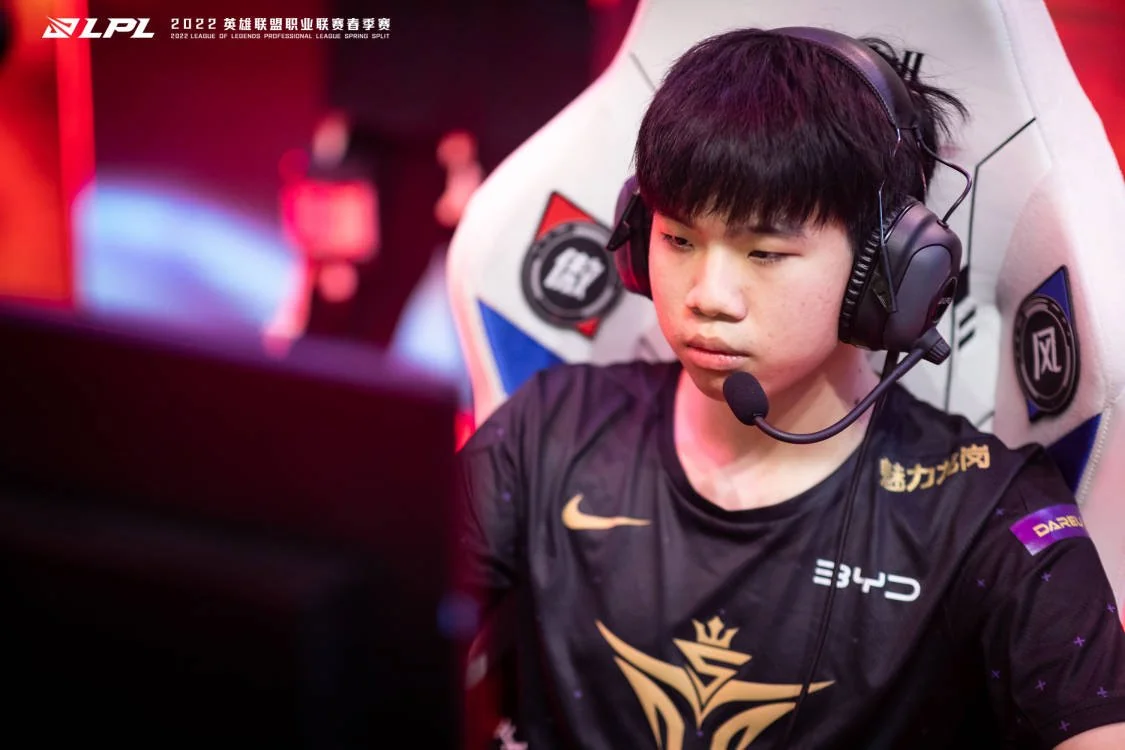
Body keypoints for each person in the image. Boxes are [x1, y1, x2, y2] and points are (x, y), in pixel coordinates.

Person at [453, 26, 1125, 750]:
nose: (708, 296)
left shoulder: (987, 517)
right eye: (678, 239)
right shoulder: (548, 431)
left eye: (764, 252)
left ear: (887, 275)